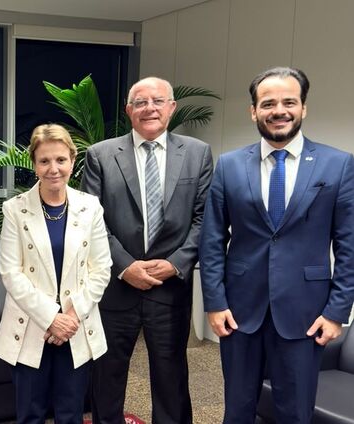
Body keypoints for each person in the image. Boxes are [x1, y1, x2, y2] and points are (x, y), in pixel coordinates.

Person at [199, 66, 354, 423]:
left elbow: (348, 247)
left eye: (289, 102)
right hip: (239, 312)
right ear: (253, 111)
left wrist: (336, 313)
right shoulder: (229, 165)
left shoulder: (338, 165)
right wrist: (215, 303)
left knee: (295, 412)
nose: (278, 111)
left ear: (303, 108)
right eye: (268, 103)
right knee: (237, 410)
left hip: (307, 313)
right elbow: (212, 240)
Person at [82, 76, 213, 424]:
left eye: (157, 101)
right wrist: (125, 266)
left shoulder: (198, 153)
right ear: (129, 111)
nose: (149, 108)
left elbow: (205, 219)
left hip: (170, 288)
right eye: (140, 102)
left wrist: (176, 263)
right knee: (107, 377)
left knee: (171, 378)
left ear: (172, 107)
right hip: (115, 287)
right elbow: (90, 221)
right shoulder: (101, 155)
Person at [0, 124, 112, 423]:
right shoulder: (15, 209)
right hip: (30, 327)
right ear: (34, 164)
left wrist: (69, 318)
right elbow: (10, 272)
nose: (53, 169)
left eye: (60, 159)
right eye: (44, 161)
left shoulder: (90, 207)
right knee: (30, 415)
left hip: (76, 327)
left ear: (72, 160)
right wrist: (51, 318)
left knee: (71, 415)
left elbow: (101, 269)